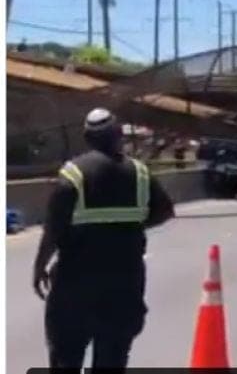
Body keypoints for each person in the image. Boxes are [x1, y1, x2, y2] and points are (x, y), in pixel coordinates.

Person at [32, 108, 175, 369]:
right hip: (124, 285)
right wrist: (131, 226)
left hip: (75, 286)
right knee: (112, 360)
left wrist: (40, 266)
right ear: (119, 135)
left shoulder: (73, 174)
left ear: (87, 137)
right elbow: (165, 211)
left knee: (66, 359)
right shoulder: (141, 174)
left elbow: (53, 227)